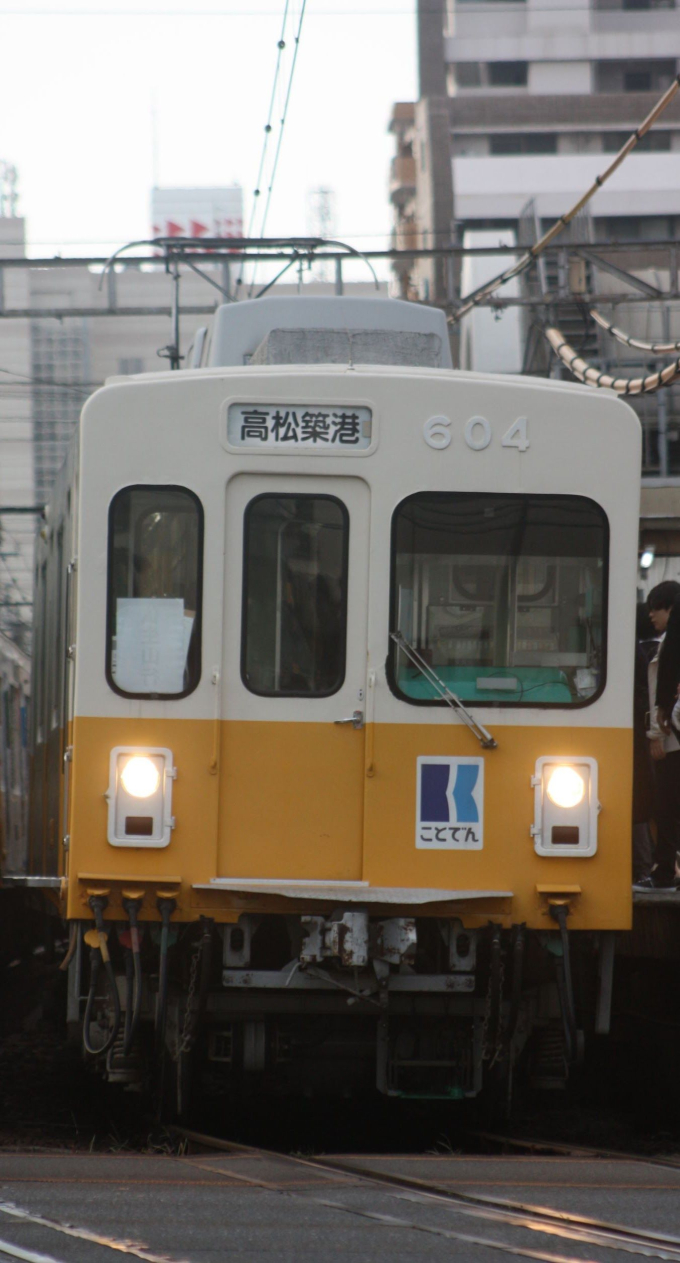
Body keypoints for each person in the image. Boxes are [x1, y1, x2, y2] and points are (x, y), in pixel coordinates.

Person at [640, 581, 680, 889]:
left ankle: (665, 872)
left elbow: (660, 695)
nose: (651, 614)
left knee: (666, 806)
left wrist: (656, 734)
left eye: (658, 607)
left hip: (671, 738)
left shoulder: (669, 647)